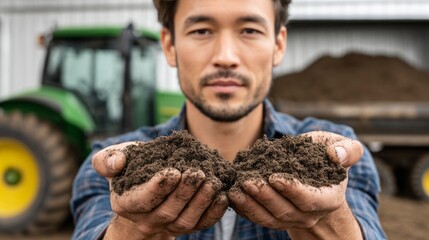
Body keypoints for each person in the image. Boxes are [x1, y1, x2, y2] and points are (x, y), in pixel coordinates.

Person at [71, 0, 386, 239]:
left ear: (278, 44)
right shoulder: (115, 164)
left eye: (249, 30)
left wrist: (333, 223)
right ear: (169, 45)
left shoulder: (337, 157)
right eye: (202, 31)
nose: (226, 56)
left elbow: (362, 224)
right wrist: (131, 229)